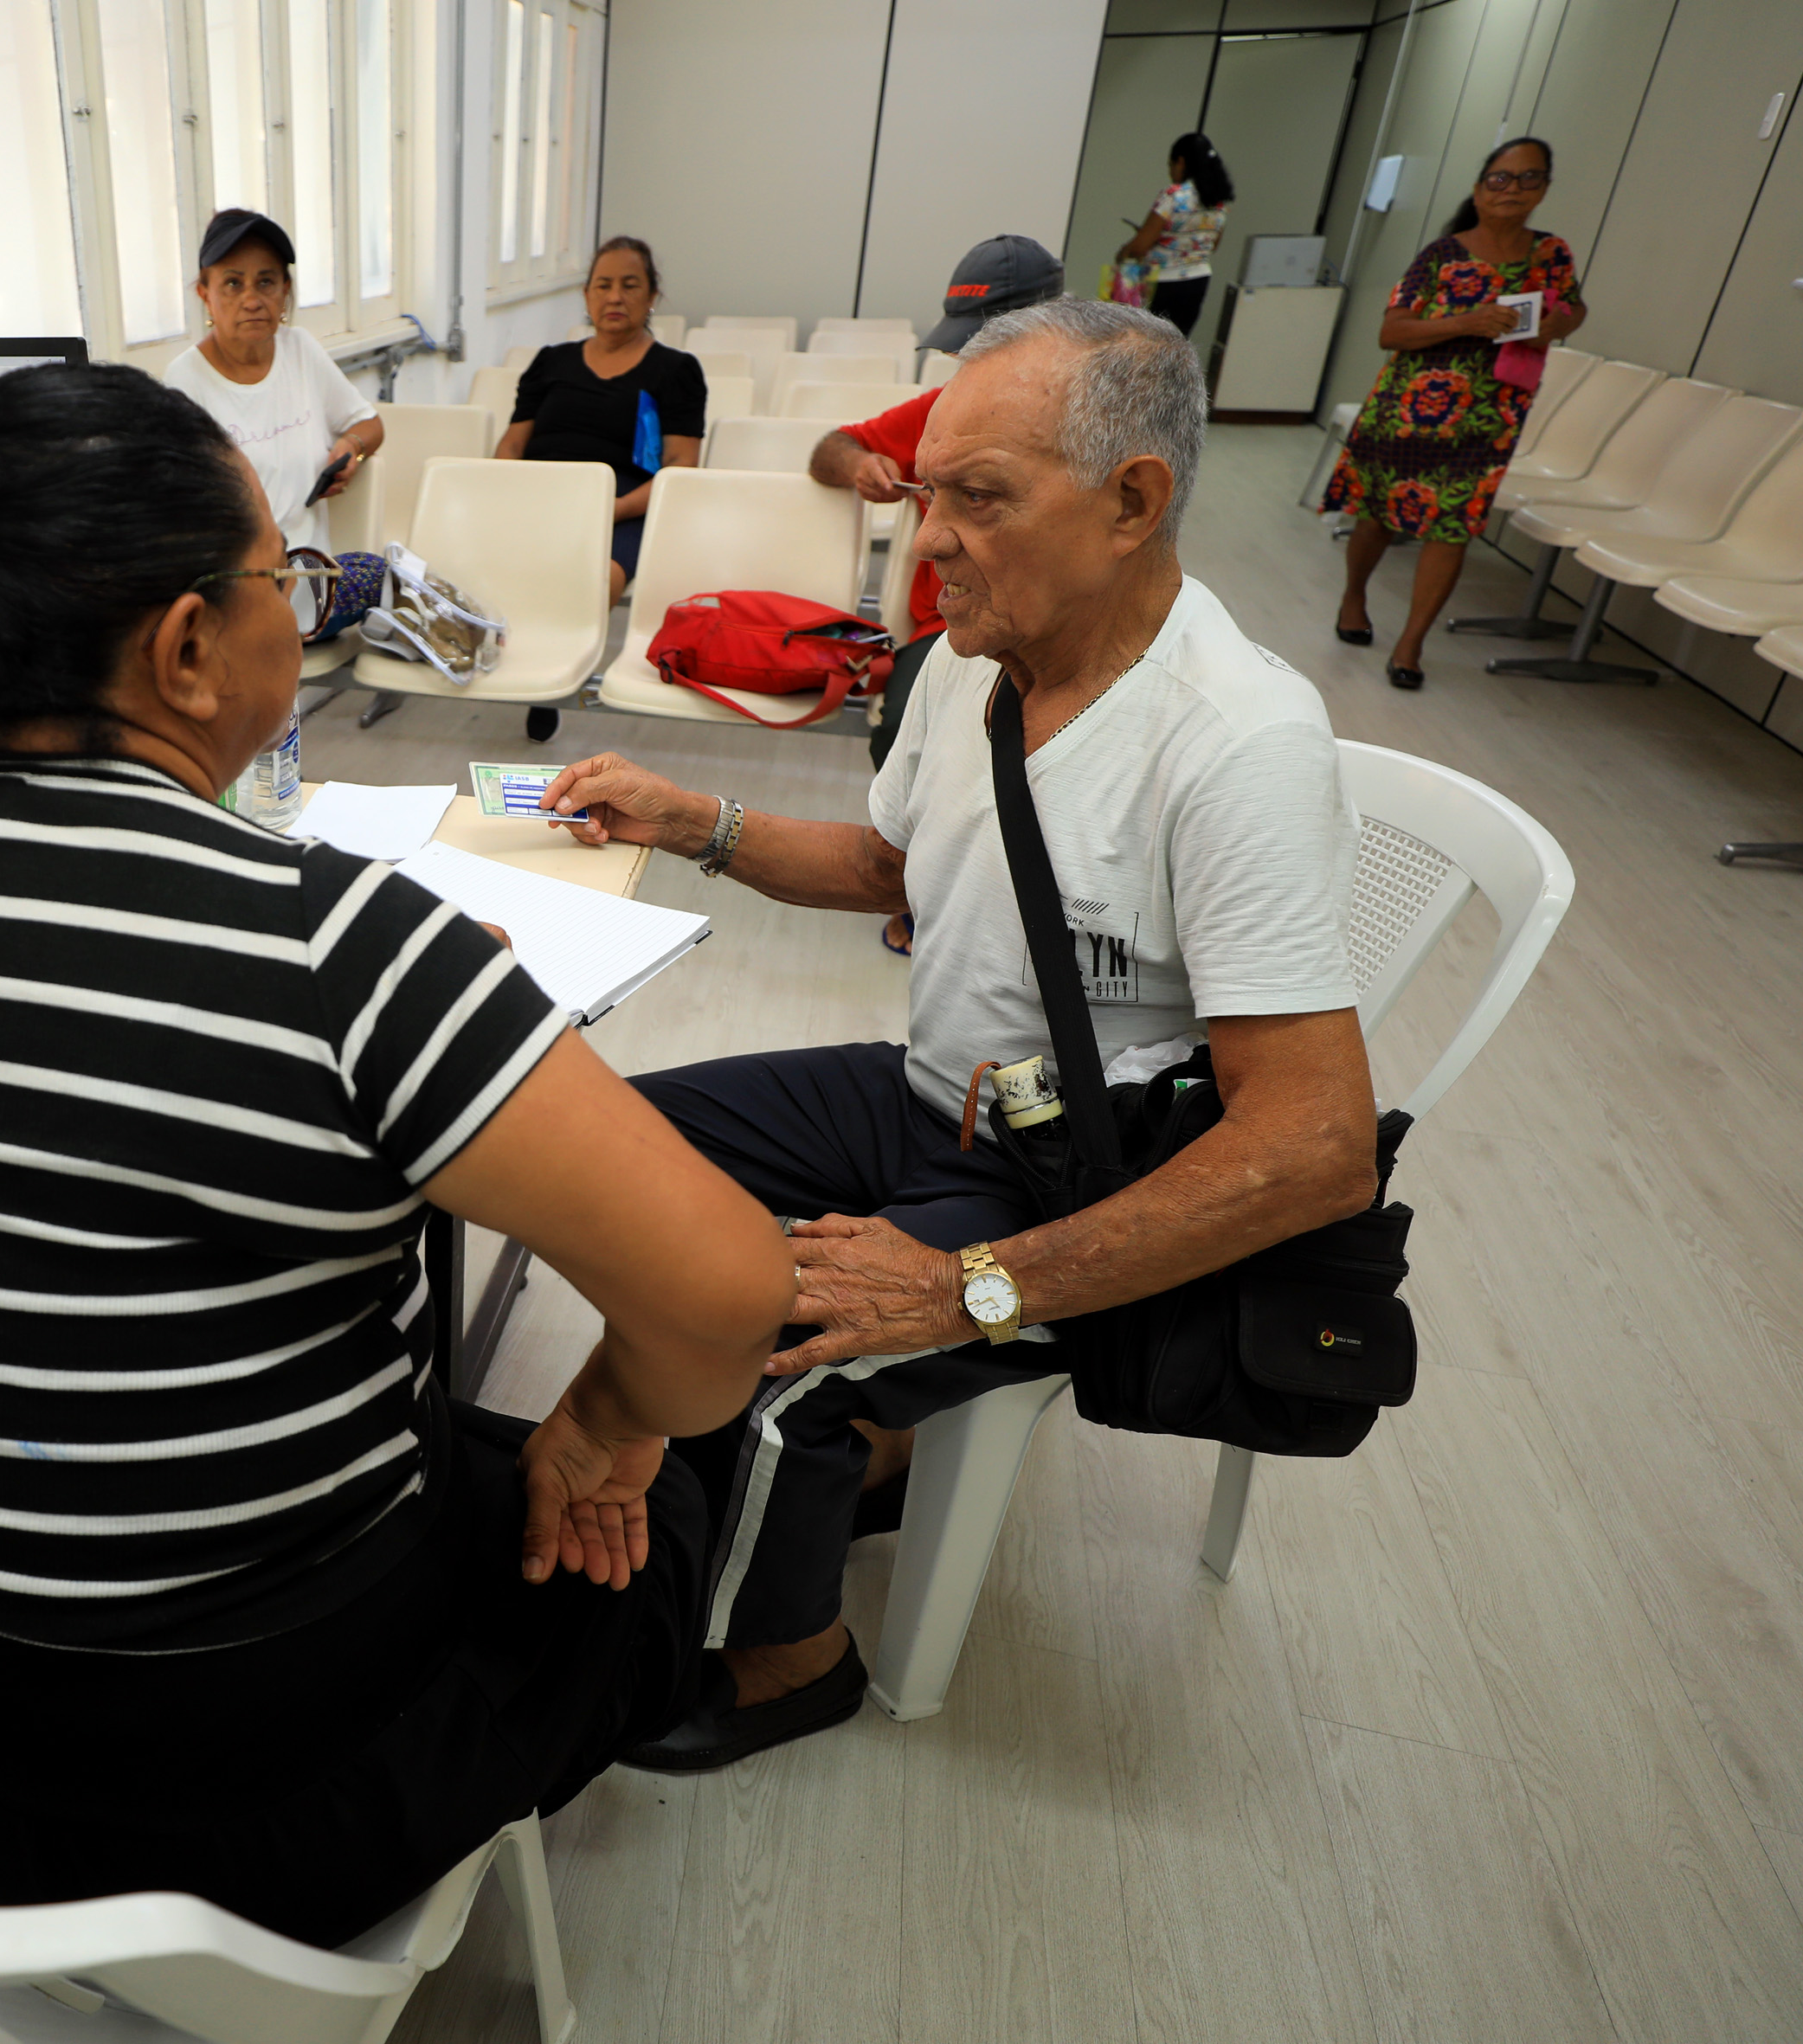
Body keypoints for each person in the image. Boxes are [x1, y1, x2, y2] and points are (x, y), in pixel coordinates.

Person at [0, 361, 793, 1947]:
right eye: (282, 582)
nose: (295, 615)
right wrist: (596, 1426)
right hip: (224, 1789)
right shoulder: (336, 942)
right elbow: (727, 1290)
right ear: (183, 649)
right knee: (654, 1497)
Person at [533, 300, 1378, 1772]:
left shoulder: (1234, 742)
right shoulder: (964, 664)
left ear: (1131, 502)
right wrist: (696, 824)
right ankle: (861, 1450)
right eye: (926, 490)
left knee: (779, 1351)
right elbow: (890, 869)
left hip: (1091, 1175)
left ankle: (792, 1658)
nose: (925, 540)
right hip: (938, 1096)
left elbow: (1311, 1150)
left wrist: (969, 1289)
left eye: (976, 497)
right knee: (598, 1148)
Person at [808, 234, 1062, 955]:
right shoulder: (940, 410)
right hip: (948, 626)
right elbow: (828, 446)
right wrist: (859, 462)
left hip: (1057, 629)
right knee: (909, 734)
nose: (967, 364)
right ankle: (930, 886)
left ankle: (1021, 900)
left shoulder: (1087, 425)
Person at [1324, 137, 1585, 689]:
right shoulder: (1442, 255)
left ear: (1543, 188)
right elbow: (1391, 331)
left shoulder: (1552, 253)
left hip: (1490, 416)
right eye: (1500, 179)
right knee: (1377, 514)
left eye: (1528, 179)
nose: (1513, 190)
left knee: (1454, 527)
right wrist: (1466, 322)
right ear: (1479, 188)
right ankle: (1353, 597)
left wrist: (1562, 322)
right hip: (1409, 410)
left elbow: (1572, 307)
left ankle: (1411, 644)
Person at [160, 208, 383, 552]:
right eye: (233, 283)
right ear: (206, 294)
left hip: (313, 573)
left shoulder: (301, 351)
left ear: (285, 290)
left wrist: (351, 447)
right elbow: (179, 511)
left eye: (266, 282)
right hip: (240, 581)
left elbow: (370, 423)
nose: (252, 300)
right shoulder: (186, 381)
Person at [496, 236, 705, 601]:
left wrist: (613, 508)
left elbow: (680, 465)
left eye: (629, 285)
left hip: (622, 506)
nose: (614, 298)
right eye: (603, 286)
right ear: (587, 295)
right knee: (482, 565)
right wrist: (509, 495)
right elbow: (513, 444)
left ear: (652, 296)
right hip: (540, 493)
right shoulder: (551, 361)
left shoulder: (676, 371)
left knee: (588, 582)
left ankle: (557, 656)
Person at [1117, 132, 1235, 337]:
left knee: (1147, 343)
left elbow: (1140, 247)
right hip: (1199, 279)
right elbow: (1212, 244)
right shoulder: (1219, 200)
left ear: (1181, 162)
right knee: (1176, 344)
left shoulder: (1173, 196)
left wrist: (1123, 253)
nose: (1171, 172)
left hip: (1163, 281)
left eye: (1170, 165)